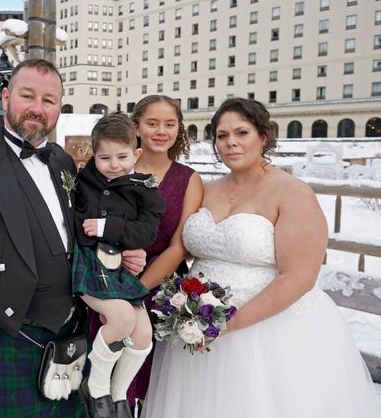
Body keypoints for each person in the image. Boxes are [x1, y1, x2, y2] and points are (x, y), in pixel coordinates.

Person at [0, 58, 147, 417]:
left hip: (67, 338)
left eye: (49, 100)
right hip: (1, 341)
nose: (38, 109)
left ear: (59, 107)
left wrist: (119, 253)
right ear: (5, 97)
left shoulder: (62, 163)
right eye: (27, 96)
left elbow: (76, 235)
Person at [142, 98, 378, 417]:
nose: (231, 143)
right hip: (194, 323)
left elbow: (299, 276)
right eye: (222, 136)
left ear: (263, 136)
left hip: (268, 330)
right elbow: (176, 241)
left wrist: (227, 323)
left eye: (242, 132)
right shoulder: (203, 188)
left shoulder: (291, 192)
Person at [72, 112, 165, 418]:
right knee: (122, 318)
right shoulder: (82, 181)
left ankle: (118, 392)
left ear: (137, 154)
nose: (113, 165)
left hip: (119, 270)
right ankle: (95, 386)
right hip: (87, 264)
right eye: (104, 157)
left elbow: (146, 233)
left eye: (122, 157)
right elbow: (75, 223)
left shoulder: (145, 189)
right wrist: (94, 233)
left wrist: (105, 227)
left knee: (142, 334)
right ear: (93, 155)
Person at [116, 95, 203, 409]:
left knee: (152, 388)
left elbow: (179, 246)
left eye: (170, 124)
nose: (161, 131)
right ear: (137, 126)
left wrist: (136, 290)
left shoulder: (189, 180)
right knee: (107, 381)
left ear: (179, 128)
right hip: (109, 283)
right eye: (152, 123)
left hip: (161, 291)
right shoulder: (114, 167)